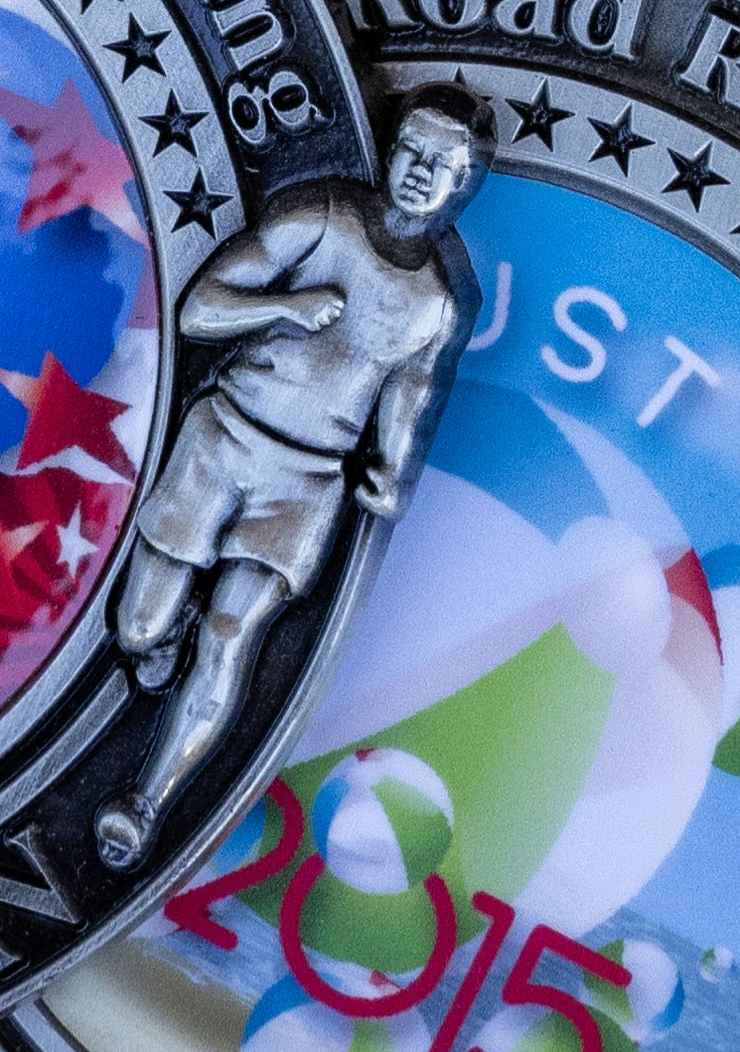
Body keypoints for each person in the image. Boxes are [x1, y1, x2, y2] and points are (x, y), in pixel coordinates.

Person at [96, 101, 491, 863]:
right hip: (223, 438)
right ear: (390, 148)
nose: (418, 174)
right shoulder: (324, 217)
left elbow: (411, 395)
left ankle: (147, 802)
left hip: (308, 483)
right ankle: (158, 638)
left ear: (462, 184)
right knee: (137, 630)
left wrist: (393, 472)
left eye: (440, 166)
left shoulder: (441, 300)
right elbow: (200, 309)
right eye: (410, 150)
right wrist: (286, 305)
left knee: (232, 634)